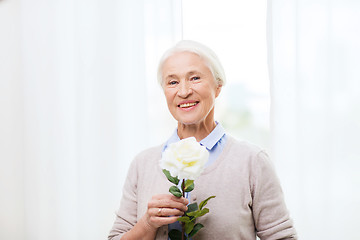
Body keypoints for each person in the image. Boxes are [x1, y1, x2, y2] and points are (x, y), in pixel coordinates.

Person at [108, 40, 297, 240]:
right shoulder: (142, 164)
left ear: (218, 86)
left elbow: (282, 237)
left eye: (195, 78)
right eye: (172, 82)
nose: (183, 91)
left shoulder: (253, 161)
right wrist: (147, 223)